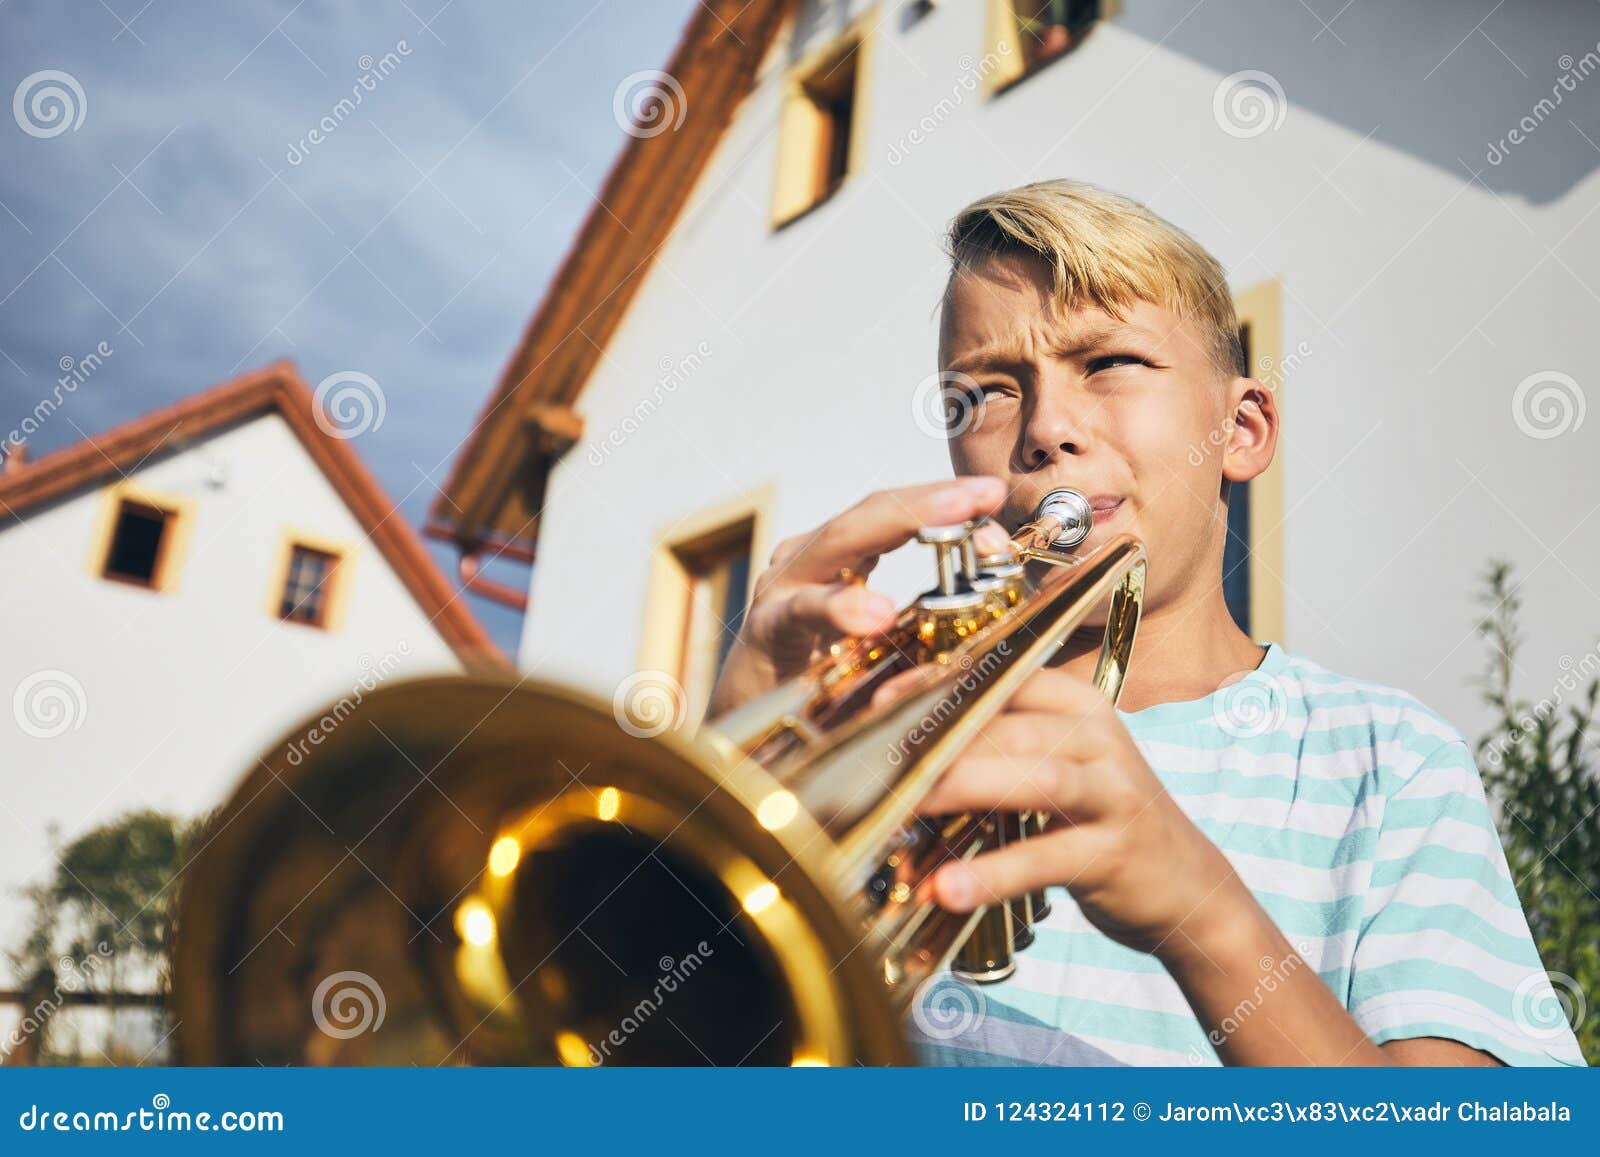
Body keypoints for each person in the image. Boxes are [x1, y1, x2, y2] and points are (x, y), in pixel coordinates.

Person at [705, 180, 1584, 1067]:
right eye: (988, 392)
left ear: (1240, 428)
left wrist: (1204, 915)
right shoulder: (869, 739)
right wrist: (731, 791)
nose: (1047, 428)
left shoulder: (1387, 762)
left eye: (1109, 363)